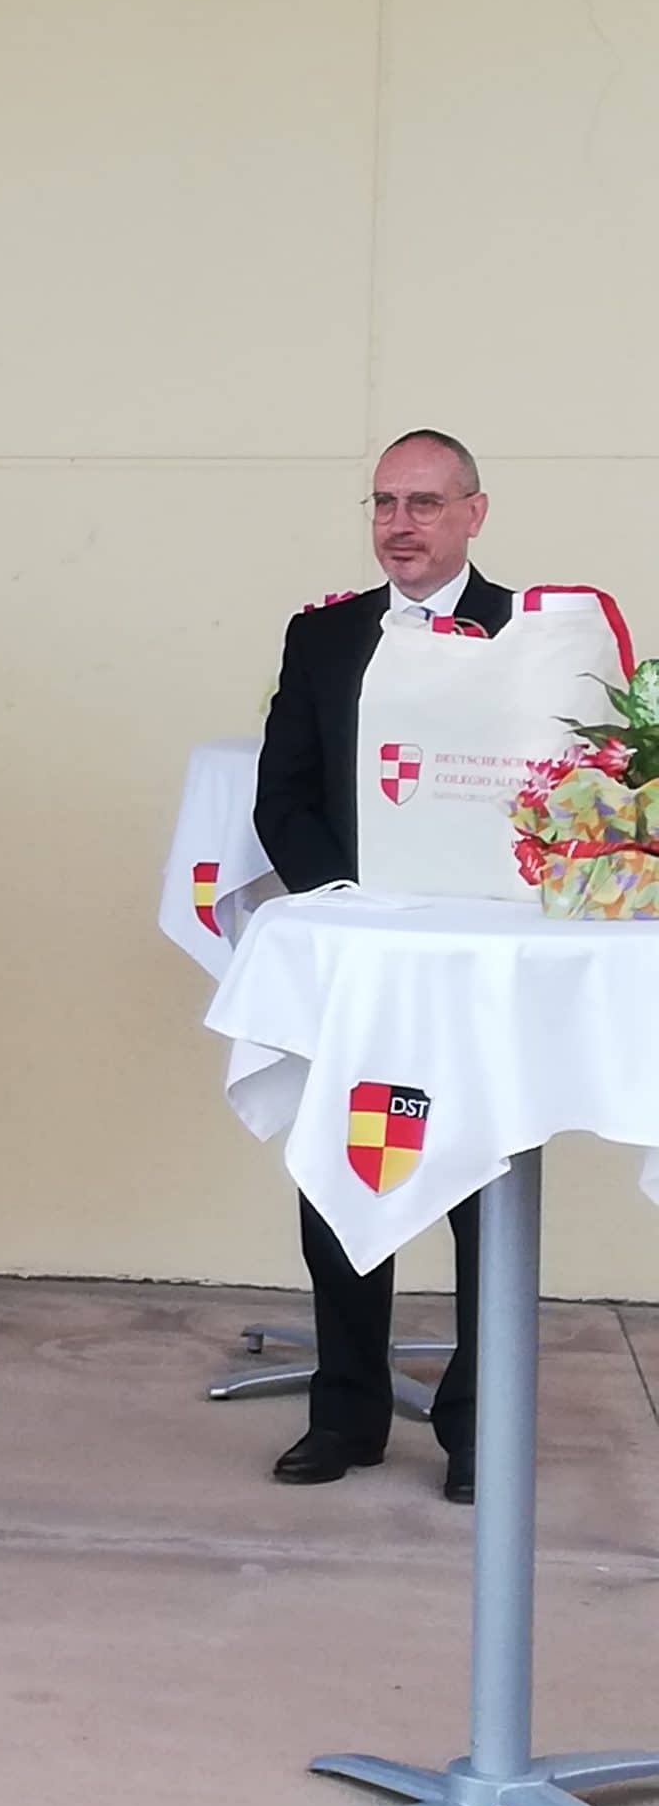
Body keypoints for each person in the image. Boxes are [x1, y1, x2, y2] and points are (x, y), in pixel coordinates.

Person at [254, 427, 507, 1504]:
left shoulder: (528, 634)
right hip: (361, 956)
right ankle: (345, 1413)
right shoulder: (322, 636)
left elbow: (556, 792)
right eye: (384, 503)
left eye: (424, 503)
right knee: (346, 1174)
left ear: (472, 514)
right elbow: (283, 797)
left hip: (478, 962)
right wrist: (350, 909)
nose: (400, 524)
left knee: (482, 1193)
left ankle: (478, 1429)